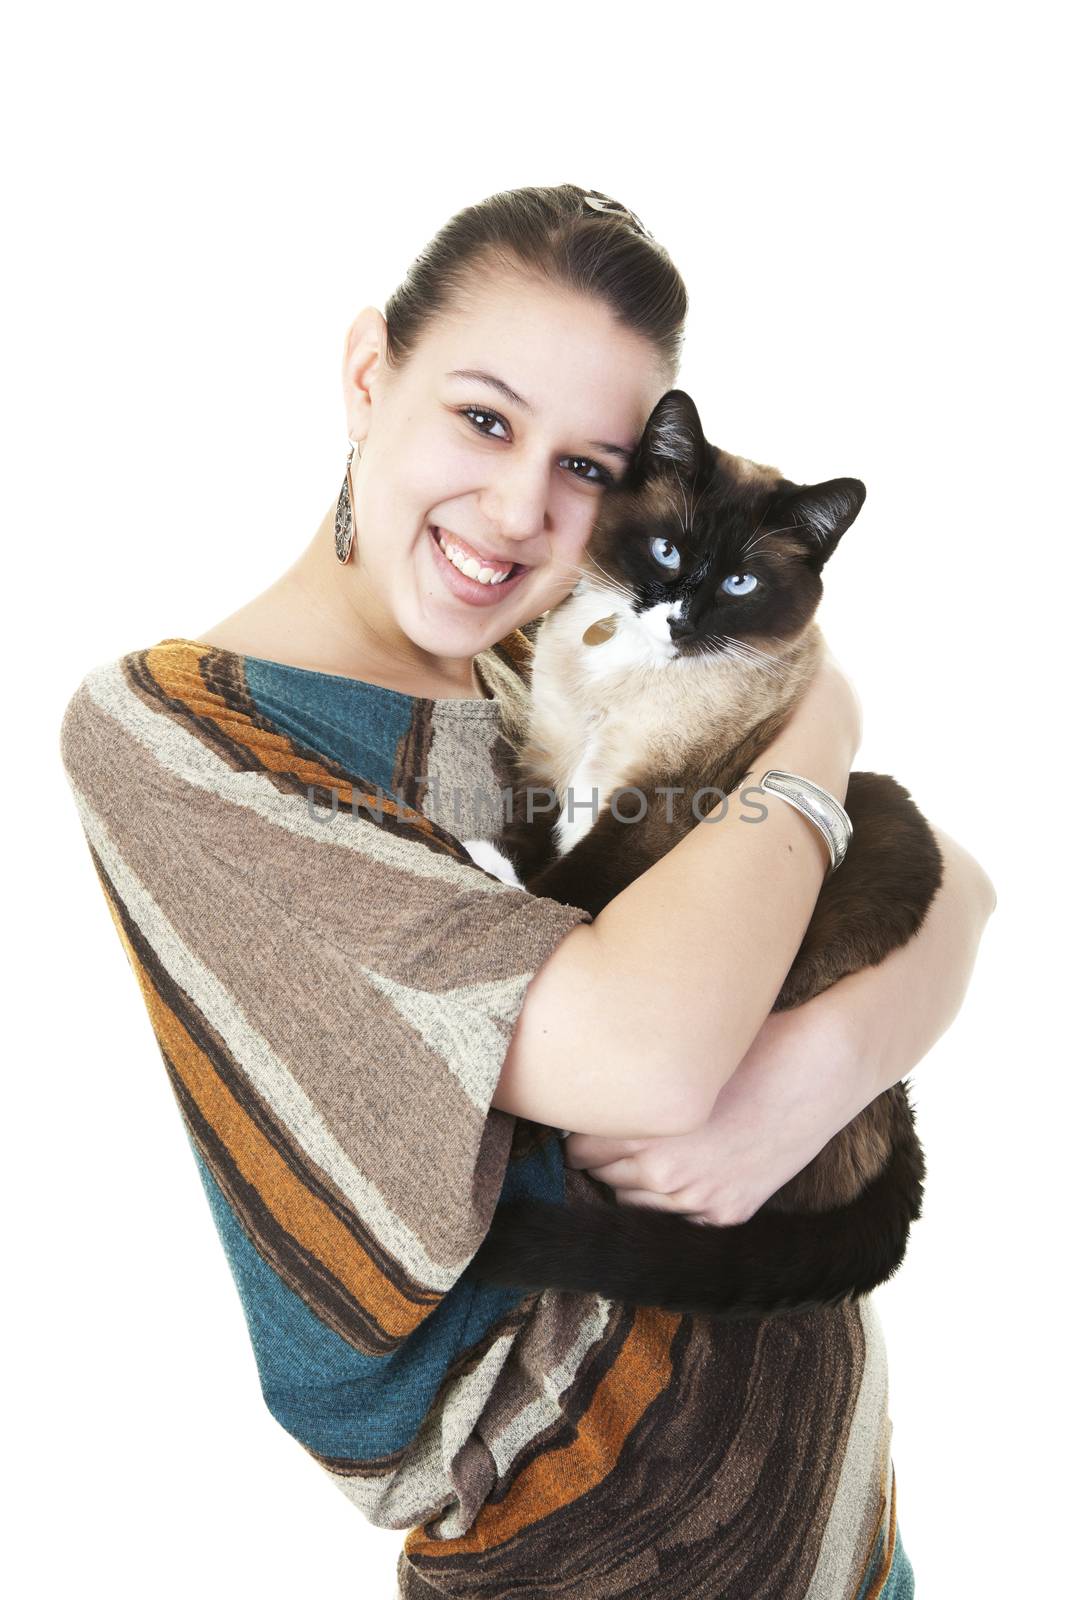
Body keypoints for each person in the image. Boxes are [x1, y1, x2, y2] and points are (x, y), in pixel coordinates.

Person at [59, 184, 994, 1599]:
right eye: (486, 420)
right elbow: (644, 1055)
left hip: (837, 1509)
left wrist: (817, 1068)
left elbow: (962, 893)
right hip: (596, 1551)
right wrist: (820, 714)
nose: (518, 508)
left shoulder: (542, 665)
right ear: (372, 374)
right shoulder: (182, 736)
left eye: (587, 466)